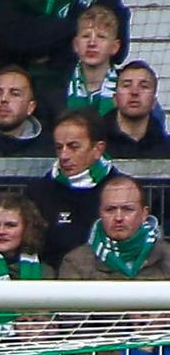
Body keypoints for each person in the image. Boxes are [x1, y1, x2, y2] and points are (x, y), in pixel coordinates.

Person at [31, 109, 118, 265]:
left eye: (73, 146)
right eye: (59, 147)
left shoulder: (122, 191)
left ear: (98, 149)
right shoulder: (39, 193)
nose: (64, 156)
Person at [60, 176, 170, 281]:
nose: (118, 218)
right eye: (110, 209)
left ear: (144, 214)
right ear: (100, 213)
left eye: (127, 209)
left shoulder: (167, 257)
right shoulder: (76, 262)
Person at [105, 60, 169, 159]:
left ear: (154, 101)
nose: (134, 92)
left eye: (144, 86)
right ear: (115, 99)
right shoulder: (94, 147)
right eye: (126, 85)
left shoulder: (166, 148)